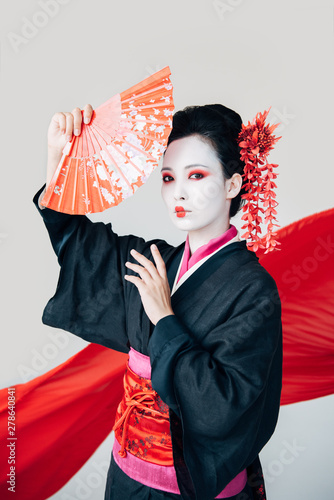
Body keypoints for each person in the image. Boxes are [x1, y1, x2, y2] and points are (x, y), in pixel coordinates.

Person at [33, 103, 282, 500]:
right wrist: (58, 160)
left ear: (233, 185)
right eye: (168, 178)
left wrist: (165, 318)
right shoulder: (153, 263)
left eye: (196, 176)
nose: (177, 192)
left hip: (190, 489)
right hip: (125, 477)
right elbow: (79, 245)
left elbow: (224, 405)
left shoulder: (253, 290)